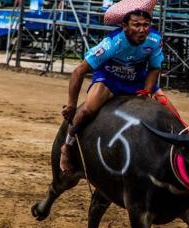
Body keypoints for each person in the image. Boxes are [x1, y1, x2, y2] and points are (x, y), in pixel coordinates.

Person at [60, 10, 165, 178]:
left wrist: (146, 91)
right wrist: (72, 104)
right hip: (109, 77)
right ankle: (67, 146)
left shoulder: (155, 40)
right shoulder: (112, 43)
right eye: (136, 25)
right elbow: (79, 71)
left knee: (169, 110)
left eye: (146, 25)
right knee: (87, 110)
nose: (142, 30)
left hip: (137, 79)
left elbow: (154, 68)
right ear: (124, 26)